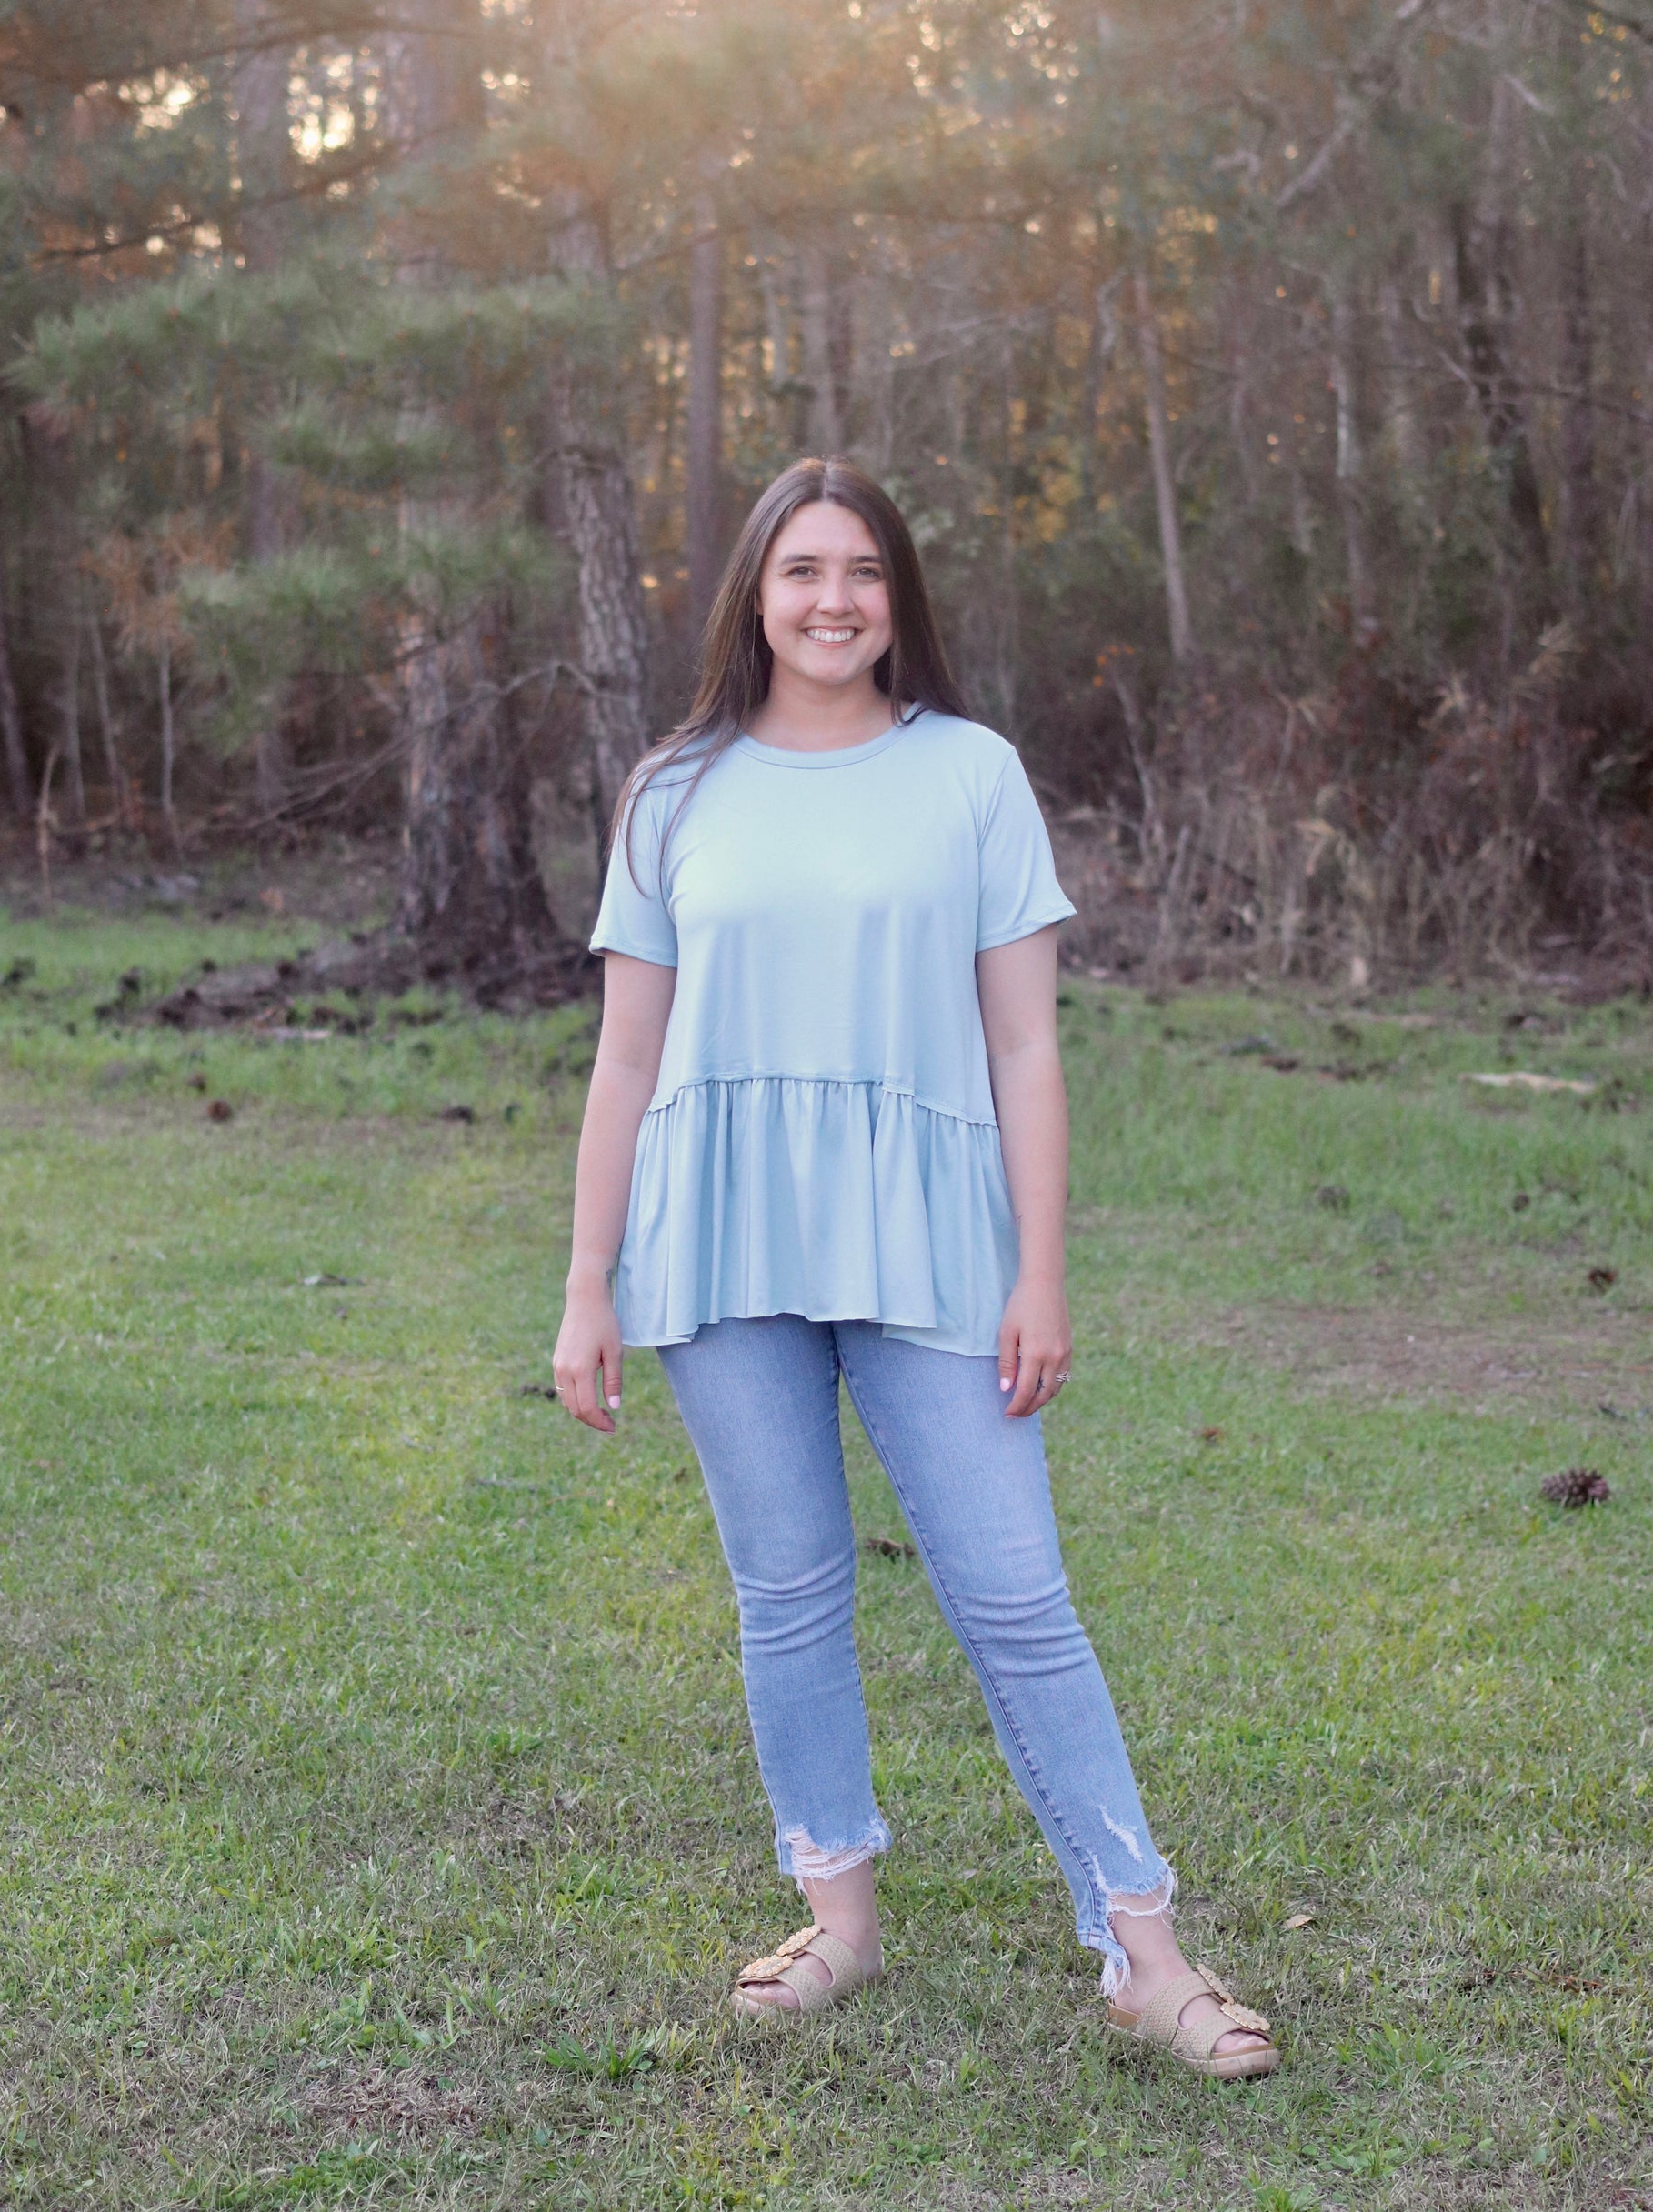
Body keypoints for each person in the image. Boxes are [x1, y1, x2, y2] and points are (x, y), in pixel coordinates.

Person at [551, 457, 1279, 2079]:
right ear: (754, 589)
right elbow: (621, 1064)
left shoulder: (970, 774)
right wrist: (588, 1281)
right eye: (802, 569)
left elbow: (1025, 1046)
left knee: (1015, 1592)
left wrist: (1043, 1271)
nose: (832, 600)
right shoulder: (674, 788)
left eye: (862, 572)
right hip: (724, 1236)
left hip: (932, 1239)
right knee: (788, 1588)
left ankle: (1142, 1953)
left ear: (900, 598)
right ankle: (839, 1914)